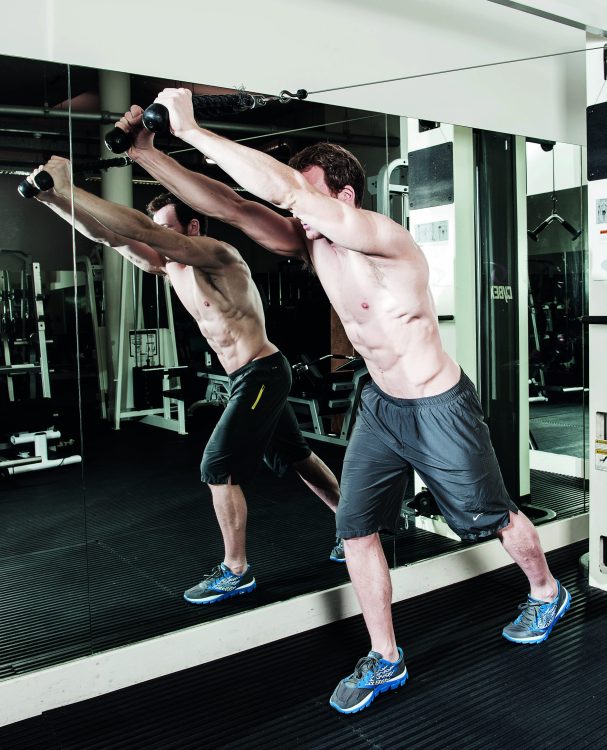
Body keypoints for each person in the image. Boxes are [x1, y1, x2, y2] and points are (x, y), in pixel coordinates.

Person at [121, 88, 572, 714]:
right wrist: (148, 155)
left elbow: (284, 194)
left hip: (438, 406)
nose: (295, 212)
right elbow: (227, 203)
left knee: (493, 518)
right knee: (356, 529)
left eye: (305, 196)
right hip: (382, 408)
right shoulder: (313, 242)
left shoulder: (386, 241)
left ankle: (546, 590)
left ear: (344, 197)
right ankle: (385, 657)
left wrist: (193, 129)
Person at [28, 155, 343, 607]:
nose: (158, 233)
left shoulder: (220, 256)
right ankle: (356, 528)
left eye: (168, 226)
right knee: (297, 456)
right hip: (243, 377)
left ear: (193, 228)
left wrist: (70, 186)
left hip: (263, 372)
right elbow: (109, 235)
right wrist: (54, 198)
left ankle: (237, 571)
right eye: (158, 226)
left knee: (217, 466)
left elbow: (142, 231)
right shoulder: (169, 266)